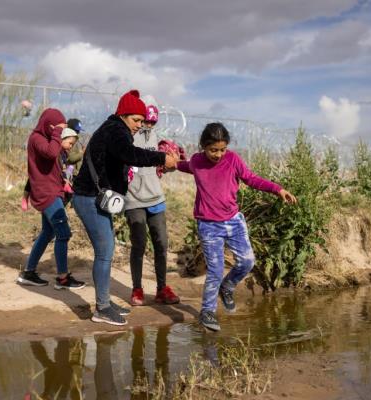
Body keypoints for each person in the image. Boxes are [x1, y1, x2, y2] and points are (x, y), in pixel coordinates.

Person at [72, 89, 179, 326]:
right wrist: (161, 158)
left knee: (106, 248)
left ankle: (106, 303)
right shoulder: (116, 130)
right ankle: (101, 308)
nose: (139, 125)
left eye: (142, 121)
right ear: (123, 115)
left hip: (95, 197)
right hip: (88, 197)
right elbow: (130, 155)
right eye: (136, 120)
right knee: (105, 250)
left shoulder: (114, 129)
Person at [177, 122, 297, 332]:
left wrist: (278, 190)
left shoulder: (232, 160)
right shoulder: (197, 161)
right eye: (213, 150)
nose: (218, 154)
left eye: (222, 149)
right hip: (208, 225)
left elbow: (251, 179)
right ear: (203, 146)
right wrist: (168, 163)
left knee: (247, 262)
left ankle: (228, 286)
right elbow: (186, 166)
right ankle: (207, 311)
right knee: (214, 269)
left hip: (233, 221)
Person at [16, 109, 85, 290]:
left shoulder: (47, 139)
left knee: (48, 233)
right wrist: (56, 133)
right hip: (47, 194)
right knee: (63, 233)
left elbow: (59, 158)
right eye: (58, 128)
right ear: (50, 126)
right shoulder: (37, 138)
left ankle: (29, 273)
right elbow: (50, 153)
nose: (60, 132)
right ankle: (62, 278)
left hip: (53, 191)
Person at [124, 102, 180, 306]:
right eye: (143, 120)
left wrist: (170, 164)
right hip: (133, 199)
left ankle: (161, 289)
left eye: (151, 121)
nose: (147, 125)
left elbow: (163, 165)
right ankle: (137, 289)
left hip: (156, 198)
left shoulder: (157, 138)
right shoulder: (127, 136)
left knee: (162, 244)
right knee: (139, 244)